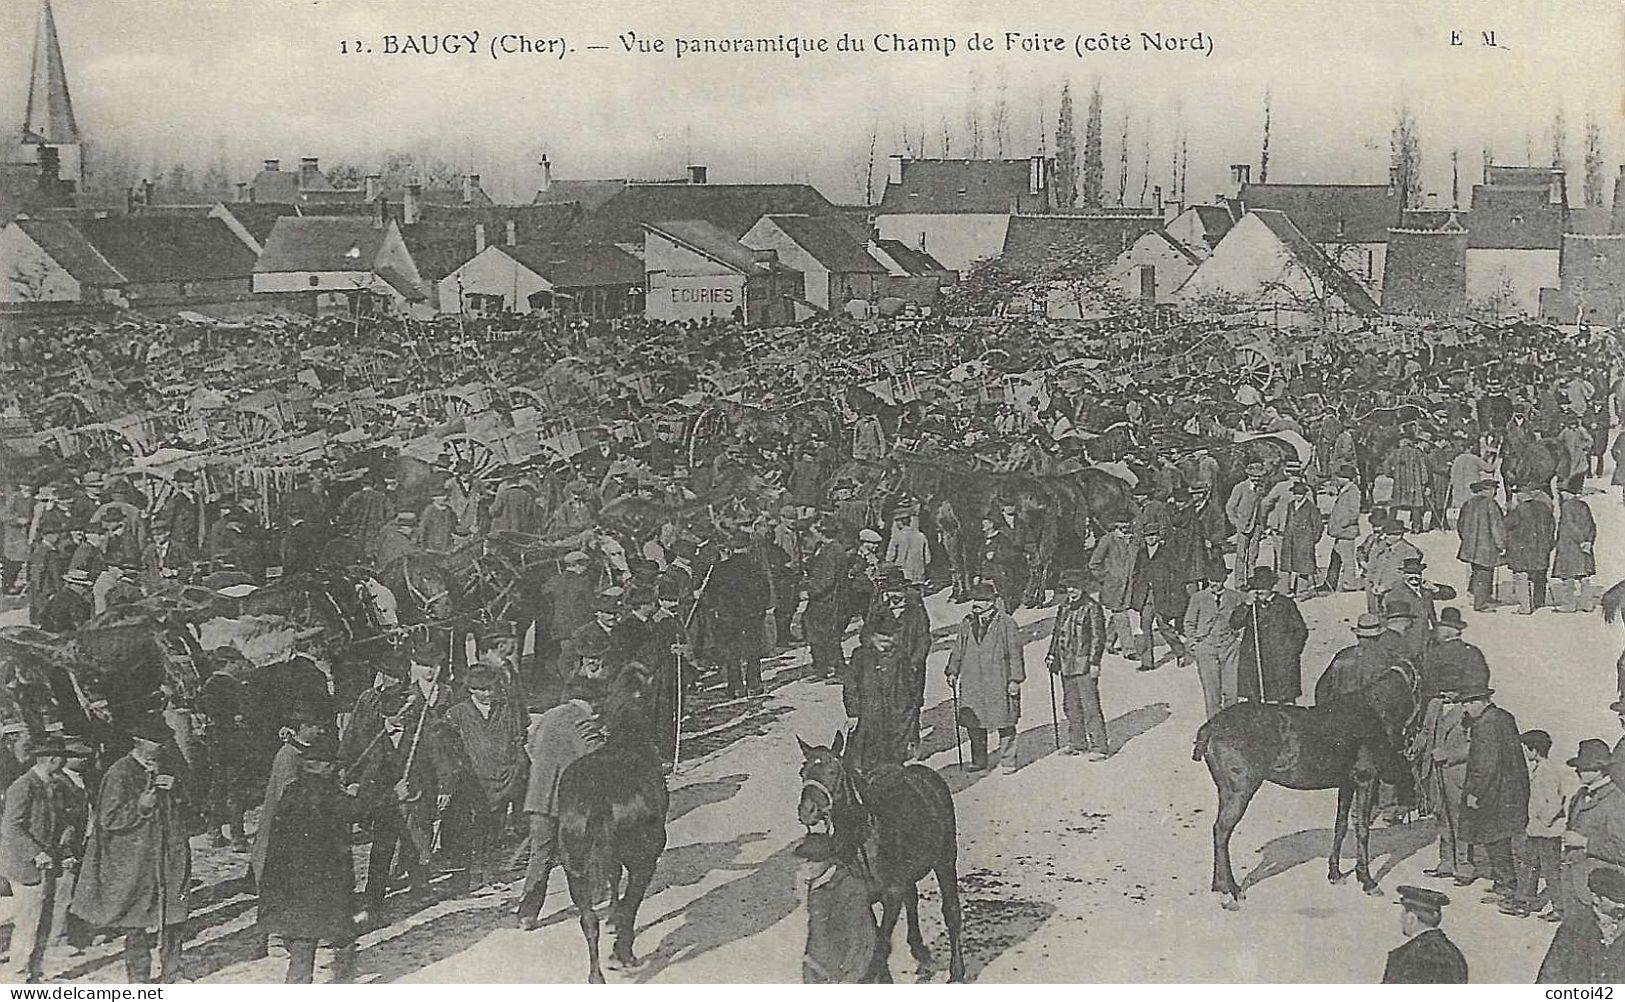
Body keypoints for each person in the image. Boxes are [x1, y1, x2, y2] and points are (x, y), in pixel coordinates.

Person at [70, 716, 191, 984]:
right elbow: (109, 819)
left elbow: (191, 803)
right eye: (156, 742)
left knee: (174, 915)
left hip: (169, 855)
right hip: (136, 860)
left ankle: (172, 972)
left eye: (163, 741)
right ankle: (138, 980)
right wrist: (141, 806)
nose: (161, 746)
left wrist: (178, 791)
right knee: (136, 922)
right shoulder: (120, 772)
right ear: (139, 742)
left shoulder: (167, 767)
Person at [259, 733, 358, 983]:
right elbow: (356, 812)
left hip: (292, 885)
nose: (337, 769)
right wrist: (390, 794)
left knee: (304, 943)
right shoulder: (328, 795)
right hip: (323, 883)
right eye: (333, 764)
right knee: (340, 934)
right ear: (321, 765)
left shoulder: (292, 792)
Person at [514, 675, 606, 929]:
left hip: (537, 797)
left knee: (540, 853)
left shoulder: (548, 715)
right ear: (593, 702)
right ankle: (591, 898)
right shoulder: (582, 721)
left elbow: (530, 746)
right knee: (580, 849)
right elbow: (596, 755)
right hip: (567, 801)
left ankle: (527, 913)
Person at [441, 664, 527, 893]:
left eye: (492, 689)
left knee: (495, 831)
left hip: (502, 781)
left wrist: (515, 769)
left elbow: (517, 739)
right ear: (471, 690)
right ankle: (469, 878)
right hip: (474, 785)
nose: (489, 694)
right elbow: (448, 749)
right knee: (472, 832)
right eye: (483, 690)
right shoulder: (457, 714)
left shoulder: (505, 709)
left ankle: (490, 875)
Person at [0, 735, 68, 983]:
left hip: (47, 864)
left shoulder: (54, 784)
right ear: (52, 759)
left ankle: (35, 972)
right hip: (24, 866)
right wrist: (35, 852)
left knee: (43, 921)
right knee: (28, 922)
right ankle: (17, 975)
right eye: (62, 758)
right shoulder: (23, 786)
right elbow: (10, 828)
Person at [945, 581, 1024, 773]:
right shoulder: (967, 622)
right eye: (974, 599)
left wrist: (1015, 680)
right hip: (973, 680)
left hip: (998, 679)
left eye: (981, 600)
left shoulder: (1006, 623)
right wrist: (952, 671)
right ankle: (979, 760)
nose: (976, 604)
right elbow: (958, 649)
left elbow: (1015, 653)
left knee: (1005, 721)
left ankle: (1008, 761)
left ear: (992, 602)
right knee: (975, 723)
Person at [1458, 686, 1528, 894]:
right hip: (1509, 789)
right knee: (1500, 835)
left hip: (1494, 791)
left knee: (1494, 837)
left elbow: (1485, 764)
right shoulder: (1504, 717)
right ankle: (1501, 881)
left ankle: (1506, 885)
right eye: (1464, 703)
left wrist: (1474, 792)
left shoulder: (1485, 724)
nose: (1466, 708)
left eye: (1469, 703)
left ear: (1482, 701)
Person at [1503, 730, 1576, 920]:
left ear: (1534, 750)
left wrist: (1542, 820)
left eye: (1526, 749)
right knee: (1531, 865)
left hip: (1547, 832)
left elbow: (1554, 803)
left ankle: (1560, 908)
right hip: (1537, 830)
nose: (1525, 753)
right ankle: (1525, 902)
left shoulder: (1548, 772)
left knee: (1550, 870)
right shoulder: (1540, 769)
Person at [795, 832, 879, 983]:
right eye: (806, 860)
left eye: (815, 861)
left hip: (840, 974)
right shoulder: (815, 884)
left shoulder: (850, 888)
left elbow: (862, 936)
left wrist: (850, 975)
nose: (808, 866)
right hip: (816, 968)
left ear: (830, 861)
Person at [1047, 569, 1108, 758]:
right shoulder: (1064, 607)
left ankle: (1099, 746)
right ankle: (1077, 742)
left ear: (1083, 588)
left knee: (1090, 705)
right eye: (1069, 588)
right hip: (1066, 664)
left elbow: (1098, 637)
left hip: (1084, 664)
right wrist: (1051, 654)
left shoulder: (1092, 607)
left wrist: (1095, 663)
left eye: (1076, 587)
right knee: (1070, 705)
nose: (1072, 591)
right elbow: (1057, 634)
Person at [842, 626, 915, 772]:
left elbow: (910, 684)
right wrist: (853, 713)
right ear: (873, 636)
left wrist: (907, 711)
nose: (888, 639)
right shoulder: (861, 656)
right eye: (883, 635)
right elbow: (850, 686)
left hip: (894, 715)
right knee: (864, 759)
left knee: (893, 760)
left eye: (891, 635)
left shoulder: (901, 656)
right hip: (868, 715)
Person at [1230, 568, 1308, 705]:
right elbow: (1235, 623)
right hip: (1256, 660)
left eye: (1263, 588)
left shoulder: (1285, 604)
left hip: (1282, 663)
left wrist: (1291, 651)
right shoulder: (1250, 606)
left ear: (1271, 587)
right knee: (1256, 701)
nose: (1260, 592)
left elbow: (1301, 631)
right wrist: (1246, 605)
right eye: (1257, 588)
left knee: (1284, 701)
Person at [1539, 867, 1625, 982]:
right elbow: (1551, 973)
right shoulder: (1574, 927)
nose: (1622, 906)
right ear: (1595, 898)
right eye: (1615, 900)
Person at [1184, 563, 1243, 717]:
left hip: (1229, 646)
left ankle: (1232, 724)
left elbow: (1244, 618)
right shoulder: (1198, 597)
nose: (1213, 584)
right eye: (1211, 580)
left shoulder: (1234, 596)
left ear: (1224, 580)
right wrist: (1193, 644)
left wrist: (1239, 638)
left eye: (1217, 581)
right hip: (1206, 647)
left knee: (1232, 689)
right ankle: (1215, 725)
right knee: (1211, 690)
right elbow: (1189, 622)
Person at [1380, 884, 1468, 983]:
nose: (1401, 920)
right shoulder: (1454, 953)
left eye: (1403, 915)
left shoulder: (1406, 955)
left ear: (1411, 918)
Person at [1313, 614, 1395, 705]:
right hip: (1366, 714)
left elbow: (1322, 688)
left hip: (1339, 712)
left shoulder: (1343, 655)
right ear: (1378, 636)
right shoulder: (1383, 659)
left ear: (1358, 636)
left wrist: (1326, 711)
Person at [1088, 520, 1139, 660]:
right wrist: (1107, 578)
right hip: (1114, 586)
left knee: (1118, 613)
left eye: (1126, 522)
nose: (1125, 525)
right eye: (1121, 523)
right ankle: (1129, 650)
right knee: (1121, 614)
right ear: (1115, 524)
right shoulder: (1108, 539)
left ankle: (1108, 641)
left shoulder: (1134, 540)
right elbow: (1094, 563)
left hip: (1129, 585)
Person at [1455, 478, 1506, 611]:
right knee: (1484, 572)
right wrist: (1502, 544)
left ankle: (1484, 595)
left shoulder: (1468, 503)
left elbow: (1460, 524)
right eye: (1494, 489)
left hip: (1470, 544)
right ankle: (1480, 603)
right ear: (1487, 490)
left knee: (1478, 570)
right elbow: (1497, 526)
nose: (1495, 493)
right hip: (1486, 545)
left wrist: (1466, 539)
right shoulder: (1491, 504)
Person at [1504, 487, 1555, 614]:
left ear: (1522, 496)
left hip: (1523, 549)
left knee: (1521, 575)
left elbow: (1506, 525)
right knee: (1540, 574)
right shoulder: (1544, 508)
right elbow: (1552, 526)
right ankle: (1539, 602)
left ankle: (1525, 607)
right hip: (1541, 548)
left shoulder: (1519, 510)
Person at [1552, 482, 1596, 613]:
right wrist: (1588, 541)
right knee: (1584, 576)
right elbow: (1592, 526)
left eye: (1562, 492)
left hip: (1570, 546)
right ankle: (1587, 604)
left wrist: (1581, 541)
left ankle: (1568, 604)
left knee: (1568, 577)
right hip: (1585, 547)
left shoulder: (1566, 506)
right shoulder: (1584, 506)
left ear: (1567, 493)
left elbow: (1570, 527)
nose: (1561, 494)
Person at [1224, 462, 1267, 588]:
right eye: (1254, 476)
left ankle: (1251, 580)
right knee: (1241, 555)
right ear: (1248, 475)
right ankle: (1240, 582)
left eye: (1259, 476)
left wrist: (1262, 525)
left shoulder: (1261, 488)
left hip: (1257, 526)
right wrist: (1236, 522)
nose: (1257, 479)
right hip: (1243, 526)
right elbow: (1230, 507)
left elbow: (1261, 507)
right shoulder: (1240, 488)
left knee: (1253, 555)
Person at [1323, 473, 1362, 593]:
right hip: (1341, 532)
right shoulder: (1346, 489)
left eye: (1341, 477)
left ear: (1348, 478)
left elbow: (1354, 513)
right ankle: (1330, 583)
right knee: (1336, 557)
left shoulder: (1353, 491)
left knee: (1347, 559)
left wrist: (1342, 524)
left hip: (1346, 532)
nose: (1338, 479)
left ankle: (1348, 584)